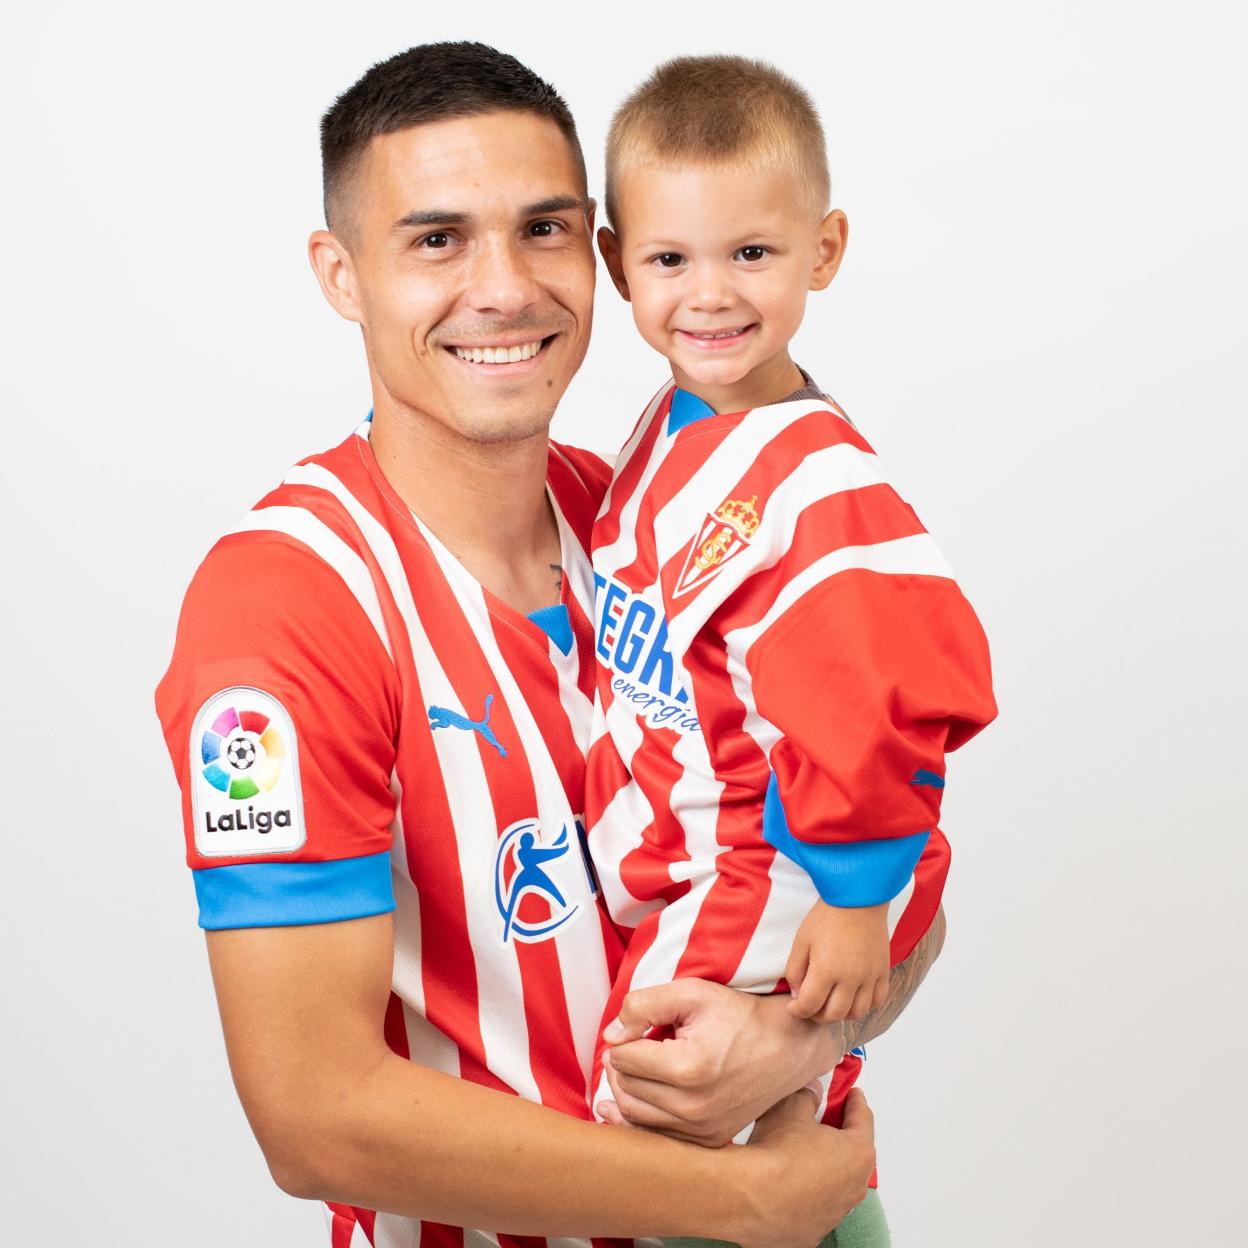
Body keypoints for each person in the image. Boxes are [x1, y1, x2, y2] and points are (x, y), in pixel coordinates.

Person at [155, 42, 942, 1248]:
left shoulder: (658, 515)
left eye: (543, 229)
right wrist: (741, 1199)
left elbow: (902, 872)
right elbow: (312, 1118)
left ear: (601, 251)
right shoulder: (285, 604)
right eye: (435, 239)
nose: (505, 287)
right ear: (340, 273)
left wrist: (801, 1037)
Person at [586, 54, 997, 1228]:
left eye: (751, 254)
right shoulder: (669, 424)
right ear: (622, 264)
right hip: (682, 860)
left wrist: (860, 900)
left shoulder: (817, 483)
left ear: (823, 250)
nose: (709, 294)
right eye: (671, 259)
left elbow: (889, 692)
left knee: (649, 1120)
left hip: (759, 875)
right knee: (772, 1126)